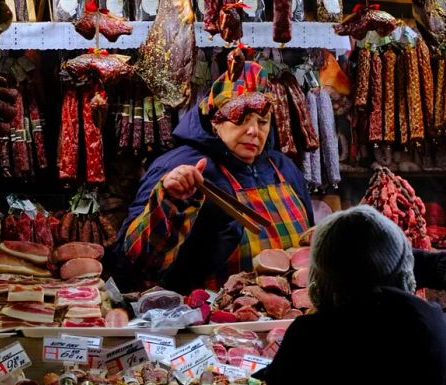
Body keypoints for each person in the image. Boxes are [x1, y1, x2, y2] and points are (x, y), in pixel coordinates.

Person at [263, 205, 446, 385]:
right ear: (406, 278)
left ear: (317, 288)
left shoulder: (305, 347)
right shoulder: (434, 335)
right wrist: (427, 264)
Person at [112, 51, 313, 293]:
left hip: (281, 318)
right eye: (241, 119)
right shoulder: (176, 166)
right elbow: (134, 263)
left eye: (262, 121)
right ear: (215, 120)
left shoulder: (283, 168)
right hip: (211, 321)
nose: (253, 131)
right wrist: (168, 201)